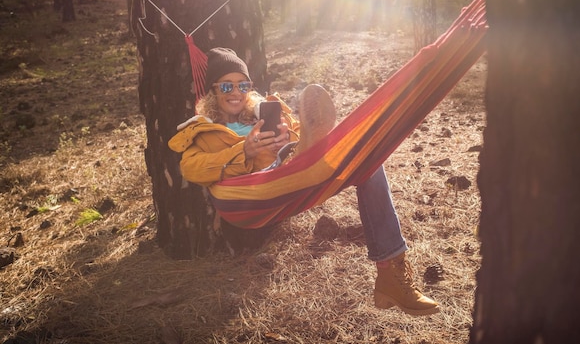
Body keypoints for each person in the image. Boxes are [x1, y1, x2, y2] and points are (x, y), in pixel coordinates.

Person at [168, 47, 440, 316]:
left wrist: (288, 137)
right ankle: (302, 155)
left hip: (291, 180)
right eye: (226, 86)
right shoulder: (201, 130)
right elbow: (190, 168)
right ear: (213, 92)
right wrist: (244, 152)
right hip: (248, 195)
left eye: (243, 84)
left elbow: (300, 130)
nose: (236, 92)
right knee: (302, 156)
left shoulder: (264, 115)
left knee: (368, 163)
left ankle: (390, 275)